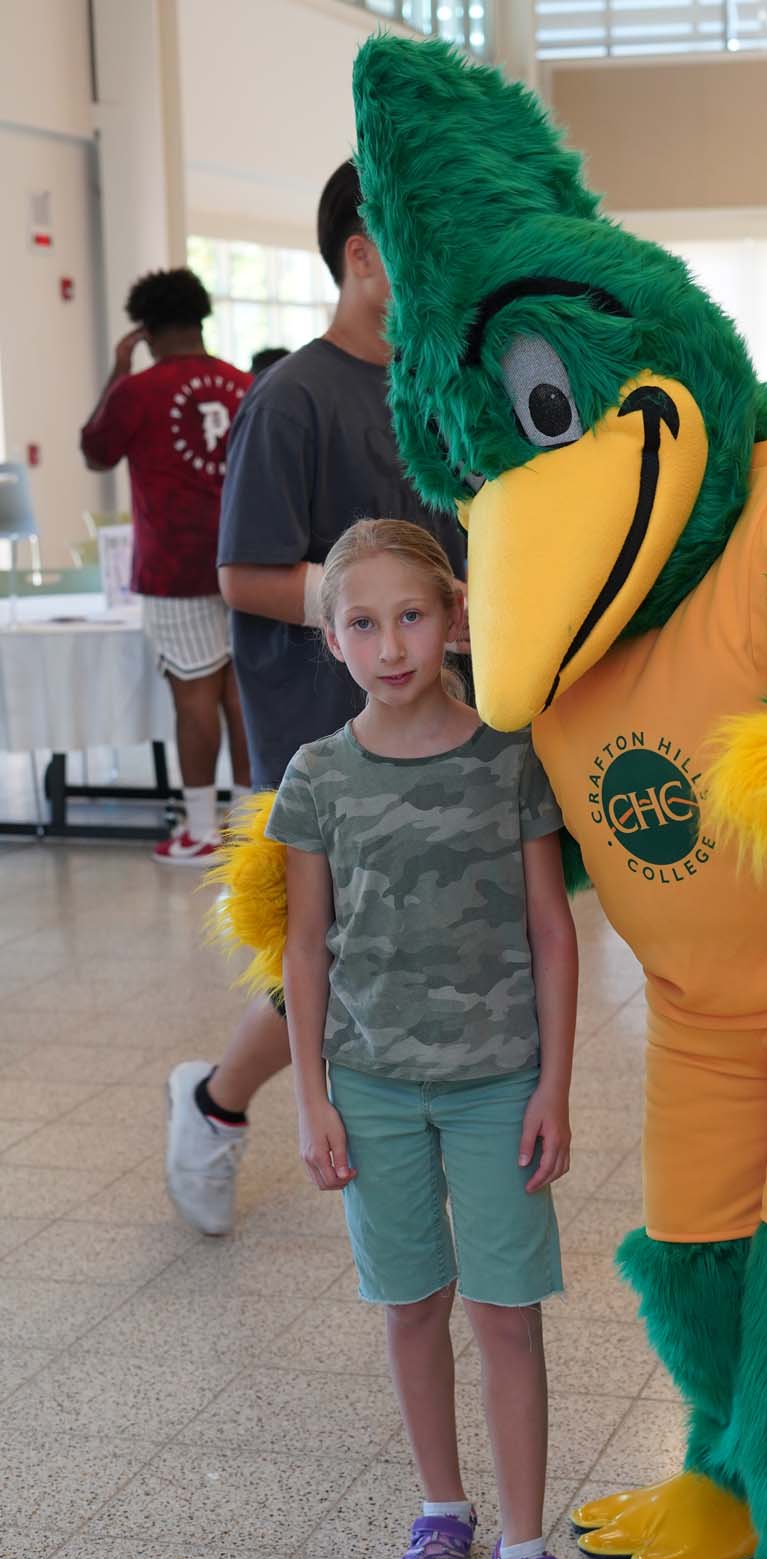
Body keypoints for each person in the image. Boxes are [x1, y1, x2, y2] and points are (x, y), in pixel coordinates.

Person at [269, 516, 614, 1559]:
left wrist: (555, 1084)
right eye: (361, 623)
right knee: (410, 1304)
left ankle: (523, 1543)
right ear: (331, 642)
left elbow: (551, 932)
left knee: (507, 1314)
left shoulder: (509, 758)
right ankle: (442, 1512)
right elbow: (305, 945)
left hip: (496, 1086)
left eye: (411, 615)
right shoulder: (317, 776)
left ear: (456, 617)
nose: (391, 644)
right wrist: (313, 1096)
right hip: (371, 1087)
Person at [164, 159, 465, 1236]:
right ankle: (215, 1100)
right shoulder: (291, 397)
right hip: (320, 735)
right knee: (330, 955)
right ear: (362, 255)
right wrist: (379, 610)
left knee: (393, 946)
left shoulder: (437, 399)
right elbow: (244, 574)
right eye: (422, 240)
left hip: (434, 728)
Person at [80, 268, 252, 863]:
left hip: (174, 568)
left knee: (194, 697)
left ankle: (202, 831)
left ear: (146, 330)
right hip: (249, 559)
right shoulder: (244, 383)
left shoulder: (137, 391)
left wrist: (117, 372)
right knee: (240, 694)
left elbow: (95, 451)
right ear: (200, 318)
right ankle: (252, 828)